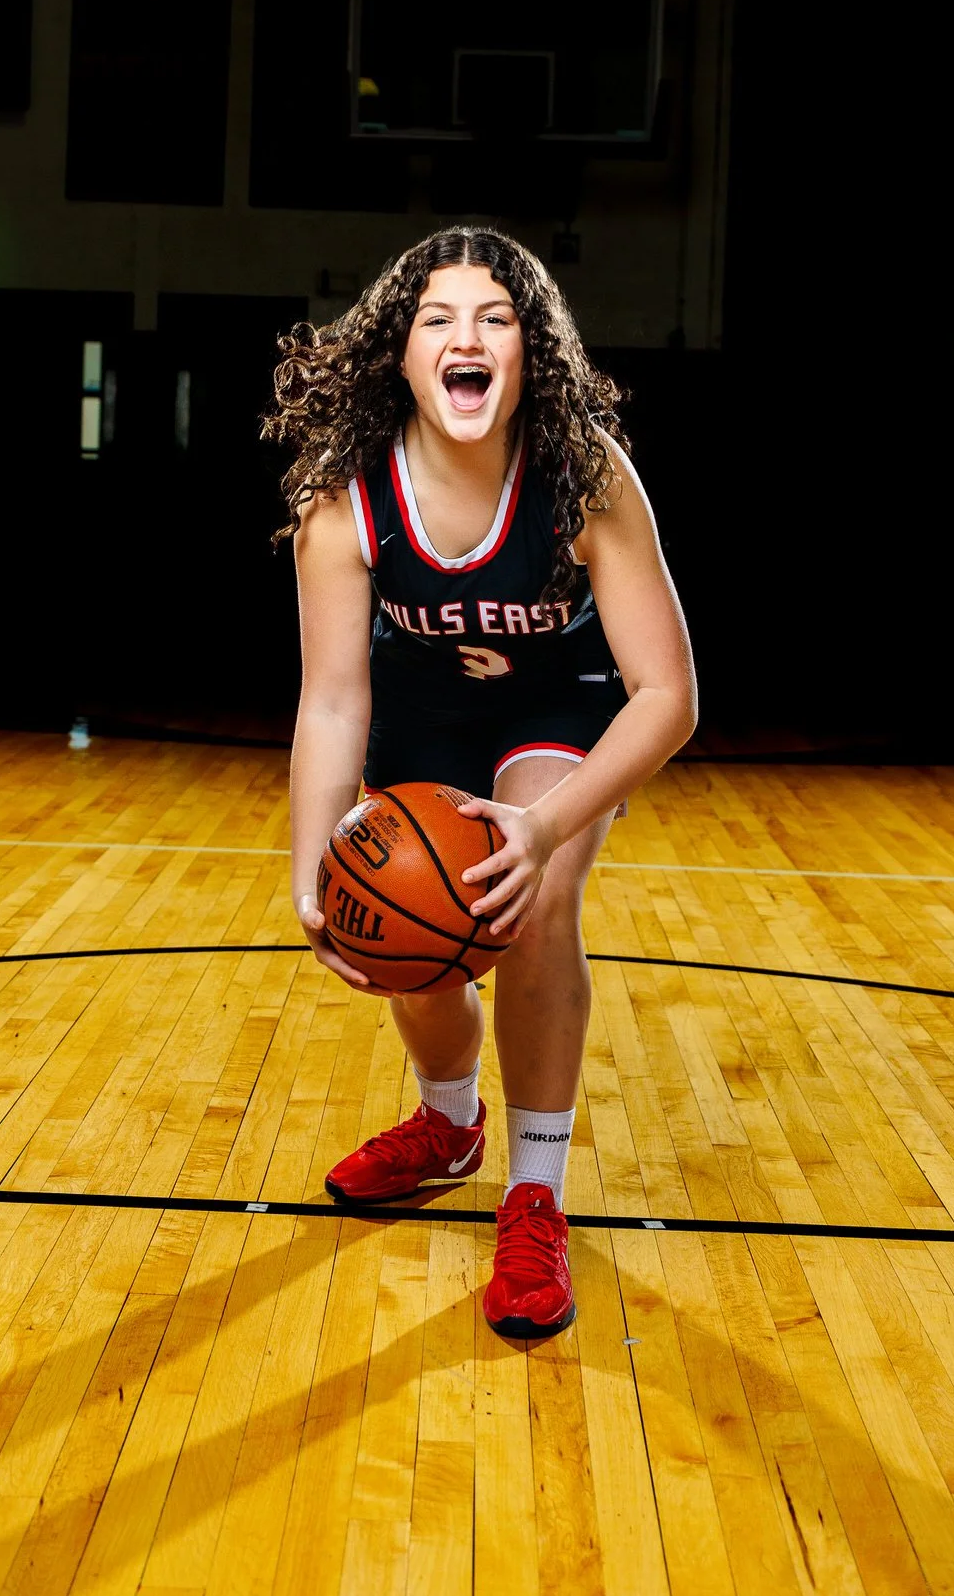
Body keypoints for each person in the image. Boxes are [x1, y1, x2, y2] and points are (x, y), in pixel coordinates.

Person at [264, 227, 696, 1339]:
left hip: (561, 706)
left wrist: (547, 824)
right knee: (409, 940)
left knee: (531, 893)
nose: (467, 337)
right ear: (399, 357)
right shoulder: (346, 498)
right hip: (422, 716)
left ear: (531, 352)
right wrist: (316, 868)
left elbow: (668, 696)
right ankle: (449, 1125)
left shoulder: (584, 474)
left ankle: (533, 1189)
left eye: (496, 318)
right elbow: (331, 700)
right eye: (438, 319)